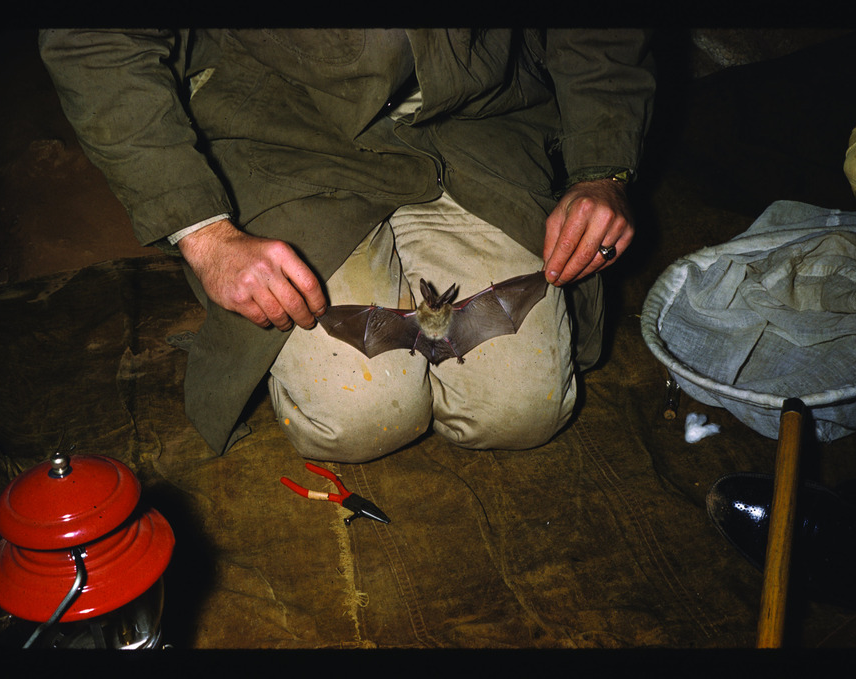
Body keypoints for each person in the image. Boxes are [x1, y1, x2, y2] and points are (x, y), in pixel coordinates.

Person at [39, 29, 656, 461]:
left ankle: (429, 289)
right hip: (279, 126)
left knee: (523, 413)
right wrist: (203, 232)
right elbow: (93, 40)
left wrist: (604, 167)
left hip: (475, 118)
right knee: (359, 422)